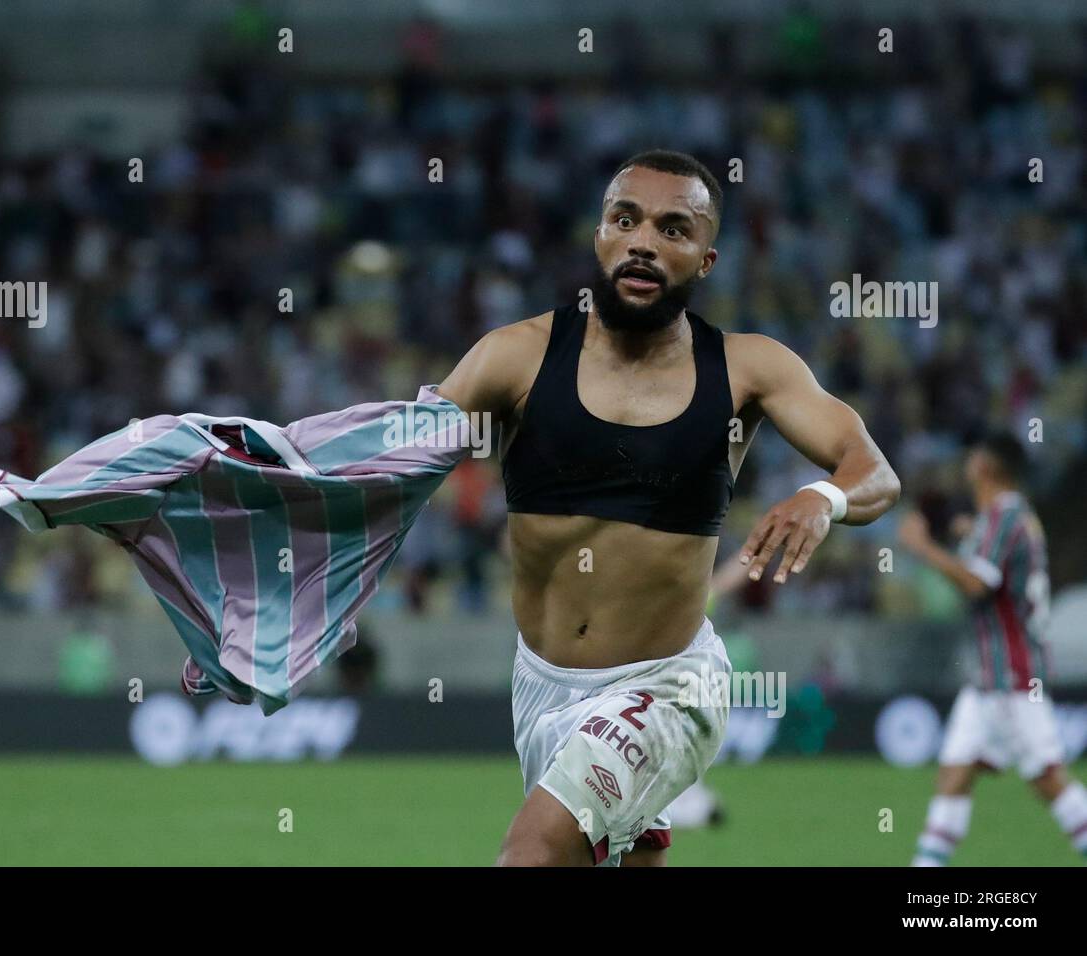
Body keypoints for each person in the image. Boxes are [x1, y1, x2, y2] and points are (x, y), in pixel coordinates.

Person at [436, 149, 901, 866]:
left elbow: (874, 470)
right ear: (600, 236)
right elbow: (386, 458)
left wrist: (822, 495)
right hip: (539, 687)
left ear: (705, 260)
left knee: (528, 858)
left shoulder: (749, 369)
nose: (645, 241)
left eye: (673, 228)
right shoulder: (515, 356)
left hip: (668, 686)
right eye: (626, 220)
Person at [898, 433, 1087, 865]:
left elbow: (979, 583)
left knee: (1047, 777)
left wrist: (923, 547)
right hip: (990, 675)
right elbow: (988, 568)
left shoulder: (1004, 516)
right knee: (954, 773)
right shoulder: (1007, 517)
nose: (967, 464)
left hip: (1012, 673)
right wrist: (967, 535)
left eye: (973, 457)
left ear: (985, 464)